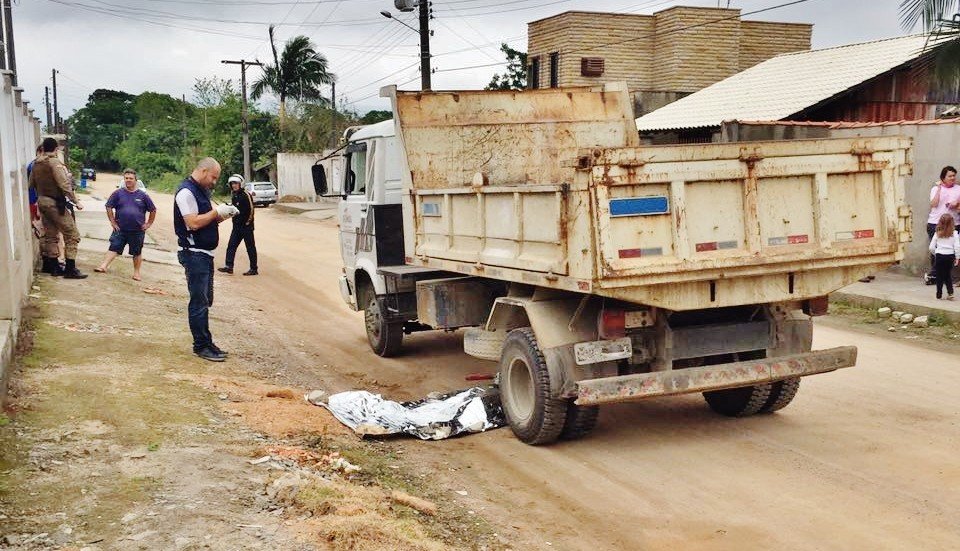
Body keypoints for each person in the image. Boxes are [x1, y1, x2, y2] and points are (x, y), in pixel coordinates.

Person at [173, 158, 238, 362]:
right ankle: (200, 346)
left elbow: (206, 219)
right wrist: (215, 212)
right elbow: (192, 223)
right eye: (213, 177)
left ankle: (206, 341)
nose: (214, 182)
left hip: (204, 254)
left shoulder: (201, 191)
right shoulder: (186, 192)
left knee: (206, 299)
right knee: (199, 301)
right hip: (193, 254)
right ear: (203, 171)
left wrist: (223, 215)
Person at [27, 137, 86, 279]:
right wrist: (75, 201)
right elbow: (64, 184)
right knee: (72, 235)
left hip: (42, 201)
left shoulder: (36, 164)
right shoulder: (54, 163)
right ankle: (70, 269)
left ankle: (53, 267)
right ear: (56, 148)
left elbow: (30, 184)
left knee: (51, 235)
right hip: (55, 202)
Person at [95, 169, 157, 280]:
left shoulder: (143, 195)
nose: (128, 180)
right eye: (126, 178)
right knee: (113, 247)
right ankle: (103, 266)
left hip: (137, 230)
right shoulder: (118, 193)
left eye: (131, 178)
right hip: (120, 228)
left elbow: (153, 209)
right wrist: (112, 221)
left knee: (137, 252)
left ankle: (136, 273)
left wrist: (149, 223)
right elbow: (108, 206)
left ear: (135, 180)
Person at [925, 166, 960, 284]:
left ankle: (940, 276)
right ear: (943, 178)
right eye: (950, 176)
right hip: (935, 223)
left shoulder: (958, 189)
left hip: (954, 224)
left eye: (954, 175)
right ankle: (935, 276)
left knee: (953, 250)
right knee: (936, 250)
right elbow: (934, 204)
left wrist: (957, 204)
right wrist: (940, 189)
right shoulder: (935, 189)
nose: (953, 178)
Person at [218, 174, 258, 276]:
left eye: (236, 183)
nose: (234, 185)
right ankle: (229, 266)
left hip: (246, 227)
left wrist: (248, 222)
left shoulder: (246, 195)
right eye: (232, 184)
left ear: (241, 184)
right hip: (236, 227)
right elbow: (235, 210)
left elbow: (251, 210)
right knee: (231, 246)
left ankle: (254, 269)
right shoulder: (234, 195)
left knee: (250, 247)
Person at [929, 213, 959, 300]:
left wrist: (936, 253)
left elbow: (931, 247)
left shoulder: (937, 233)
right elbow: (957, 246)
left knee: (939, 275)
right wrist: (957, 257)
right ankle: (950, 293)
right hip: (950, 256)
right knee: (947, 275)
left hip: (939, 256)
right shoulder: (955, 233)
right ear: (952, 223)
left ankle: (939, 294)